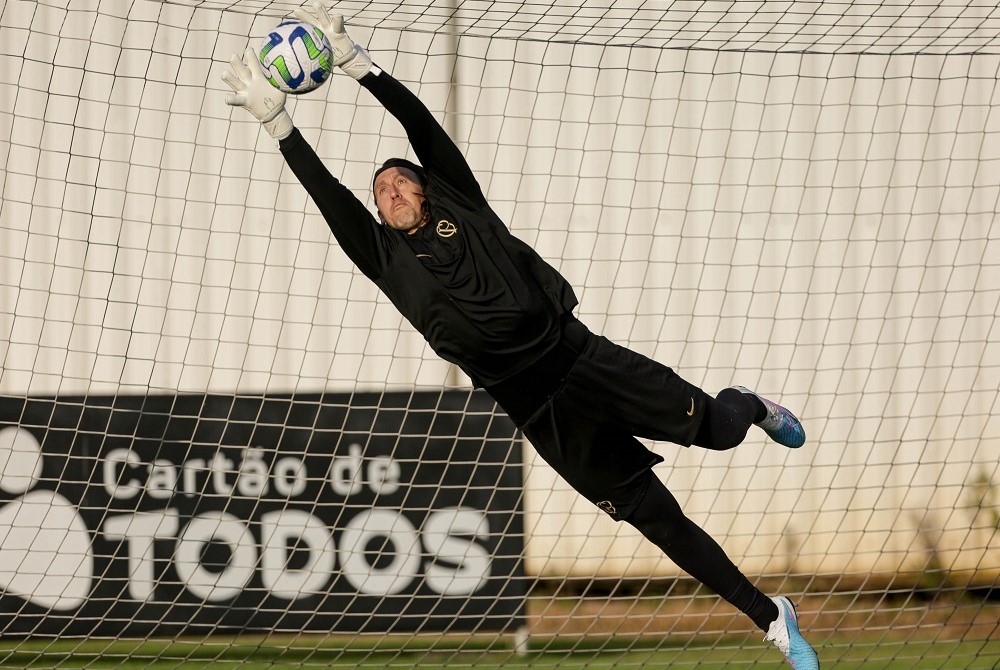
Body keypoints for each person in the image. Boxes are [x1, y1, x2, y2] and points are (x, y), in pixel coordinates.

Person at [222, 5, 820, 667]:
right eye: (380, 190)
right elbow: (328, 194)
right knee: (657, 519)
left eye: (400, 180)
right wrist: (278, 123)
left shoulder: (464, 206)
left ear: (428, 190)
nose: (389, 189)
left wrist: (362, 66)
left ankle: (752, 405)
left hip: (586, 360)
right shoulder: (385, 260)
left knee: (719, 429)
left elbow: (419, 128)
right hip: (539, 410)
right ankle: (773, 620)